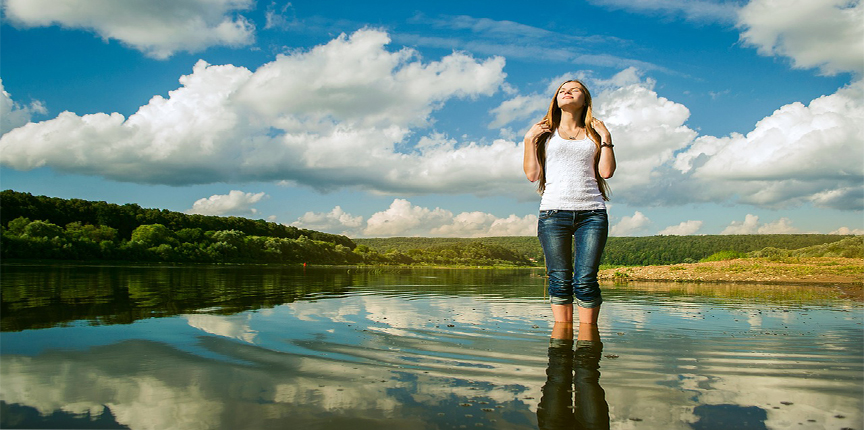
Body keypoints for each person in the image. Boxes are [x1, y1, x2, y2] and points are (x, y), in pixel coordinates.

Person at [522, 80, 616, 324]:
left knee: (585, 279)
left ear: (584, 100)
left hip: (592, 213)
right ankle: (561, 342)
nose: (567, 91)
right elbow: (533, 175)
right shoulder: (544, 136)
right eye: (563, 89)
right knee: (559, 279)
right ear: (556, 99)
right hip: (553, 214)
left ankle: (588, 342)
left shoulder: (595, 135)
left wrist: (606, 136)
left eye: (575, 89)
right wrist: (528, 139)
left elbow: (606, 172)